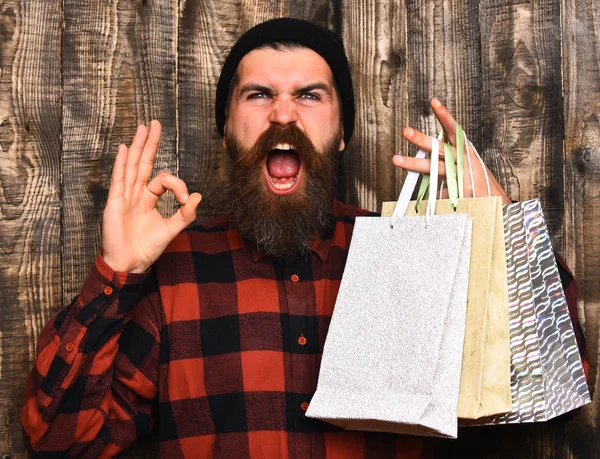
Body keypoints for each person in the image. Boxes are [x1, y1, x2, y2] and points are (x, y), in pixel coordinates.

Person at [21, 18, 585, 458]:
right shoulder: (177, 272)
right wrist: (115, 273)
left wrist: (502, 236)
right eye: (258, 95)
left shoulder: (413, 249)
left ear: (341, 134)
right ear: (226, 131)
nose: (283, 114)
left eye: (311, 96)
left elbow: (556, 391)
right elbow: (58, 442)